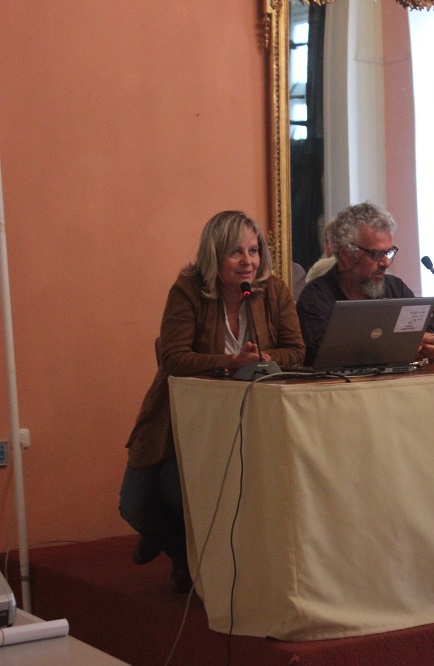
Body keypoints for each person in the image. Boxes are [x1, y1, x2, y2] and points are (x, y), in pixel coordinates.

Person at [120, 210, 305, 593]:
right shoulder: (188, 289)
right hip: (181, 414)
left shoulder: (273, 290)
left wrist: (264, 359)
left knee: (176, 491)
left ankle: (190, 563)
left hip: (251, 417)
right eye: (236, 252)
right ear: (213, 256)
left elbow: (296, 351)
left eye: (253, 250)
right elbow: (173, 357)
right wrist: (229, 362)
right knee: (135, 505)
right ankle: (176, 546)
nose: (248, 261)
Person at [296, 202, 434, 365]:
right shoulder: (315, 299)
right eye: (376, 254)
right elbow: (321, 356)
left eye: (389, 252)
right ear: (346, 254)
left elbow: (429, 331)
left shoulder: (395, 288)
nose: (386, 262)